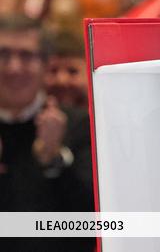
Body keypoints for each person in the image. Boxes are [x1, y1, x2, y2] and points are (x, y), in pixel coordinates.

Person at [0, 16, 93, 252]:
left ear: (45, 64)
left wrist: (54, 159)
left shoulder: (78, 124)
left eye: (27, 56)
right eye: (4, 55)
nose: (14, 67)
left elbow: (96, 224)